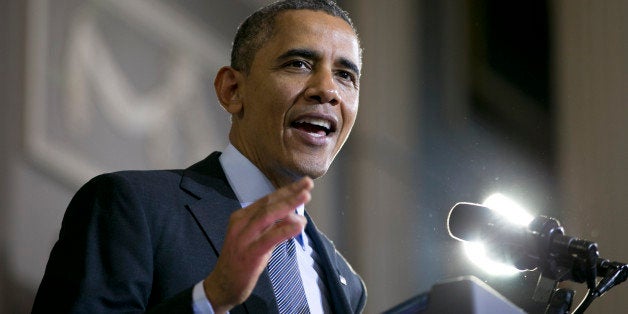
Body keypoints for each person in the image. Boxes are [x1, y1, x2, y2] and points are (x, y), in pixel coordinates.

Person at [32, 0, 366, 313]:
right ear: (232, 90)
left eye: (345, 75)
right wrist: (211, 298)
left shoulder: (345, 283)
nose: (328, 90)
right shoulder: (131, 208)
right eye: (299, 64)